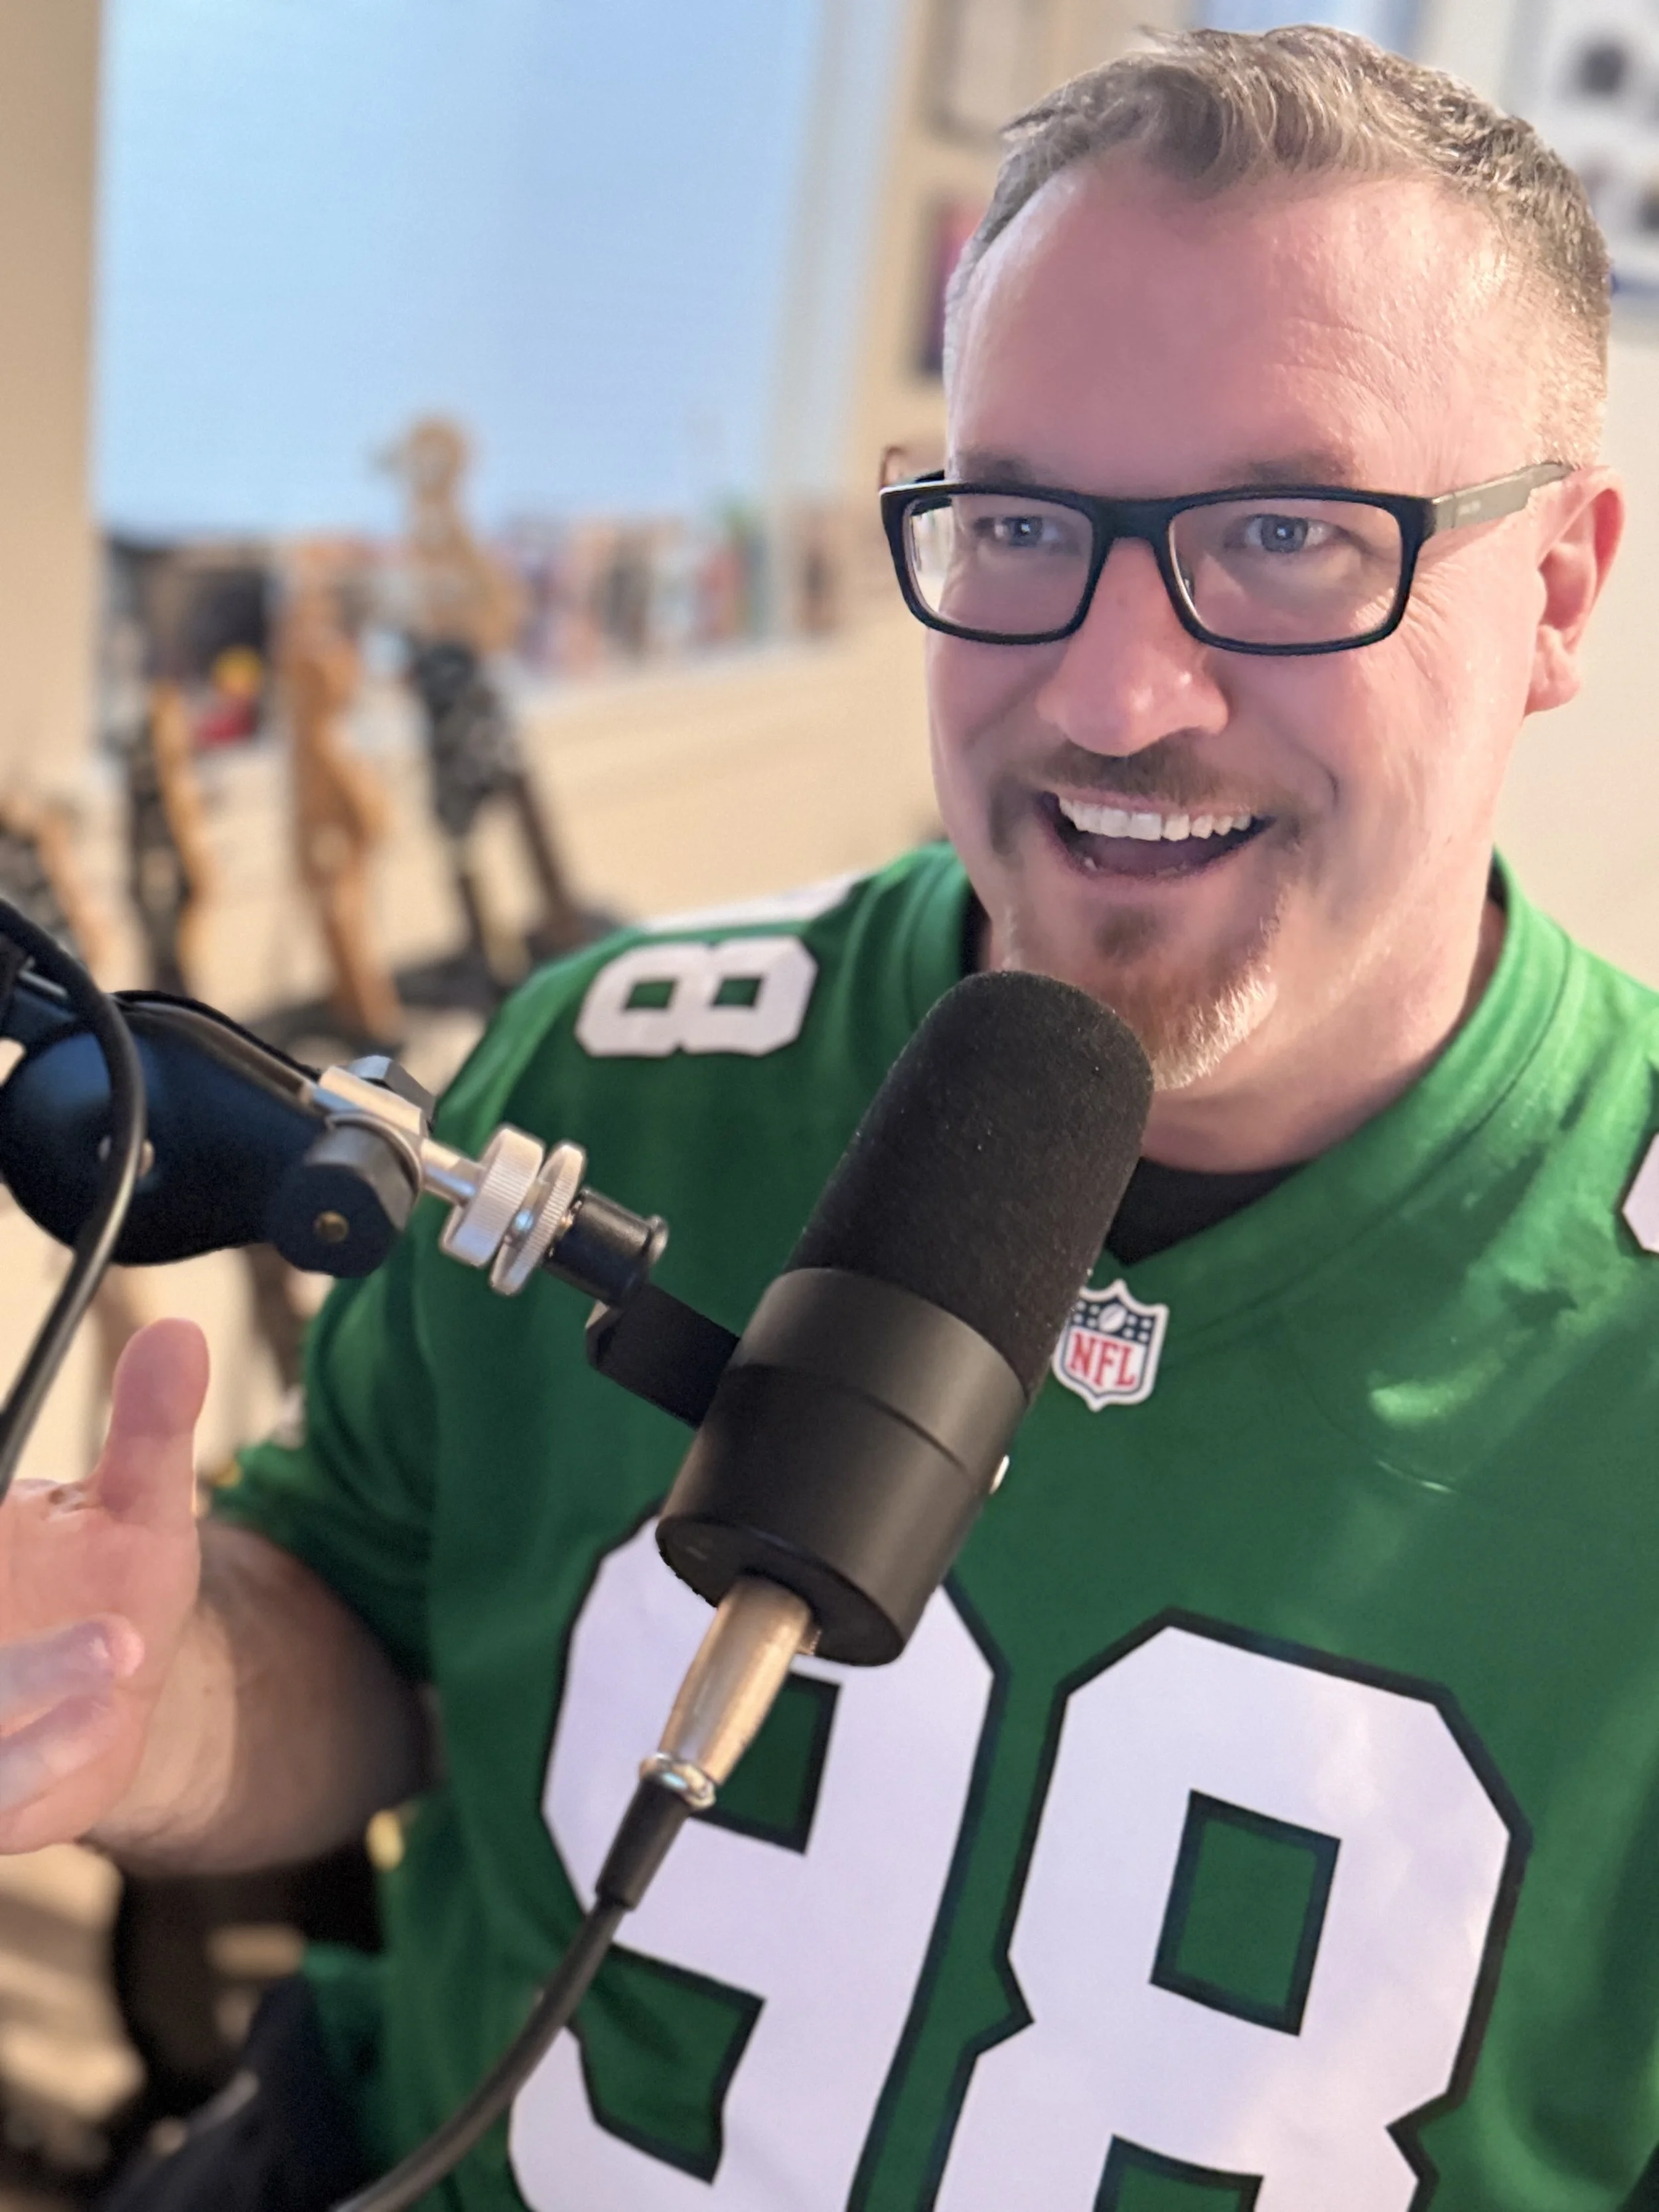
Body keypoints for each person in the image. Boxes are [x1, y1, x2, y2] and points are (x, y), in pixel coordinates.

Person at [0, 23, 1655, 2209]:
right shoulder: (617, 1064)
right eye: (1023, 520)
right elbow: (375, 1638)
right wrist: (157, 1690)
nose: (1109, 692)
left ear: (1553, 589)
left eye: (1280, 532)